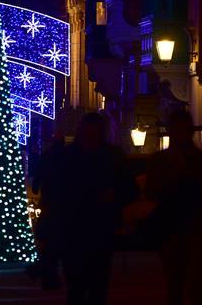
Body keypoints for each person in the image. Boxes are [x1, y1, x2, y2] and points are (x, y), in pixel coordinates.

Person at [57, 113, 137, 305]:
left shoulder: (71, 156)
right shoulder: (108, 156)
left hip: (92, 227)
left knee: (90, 286)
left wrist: (114, 195)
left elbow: (129, 189)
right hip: (82, 227)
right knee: (86, 286)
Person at [145, 110, 202, 305]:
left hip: (193, 228)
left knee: (193, 285)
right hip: (176, 228)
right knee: (177, 284)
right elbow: (152, 191)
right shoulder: (163, 161)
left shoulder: (201, 161)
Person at [28, 133, 65, 290]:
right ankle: (48, 273)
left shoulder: (47, 156)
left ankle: (45, 273)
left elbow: (39, 175)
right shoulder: (66, 156)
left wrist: (36, 187)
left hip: (49, 201)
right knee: (57, 240)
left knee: (49, 241)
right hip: (62, 203)